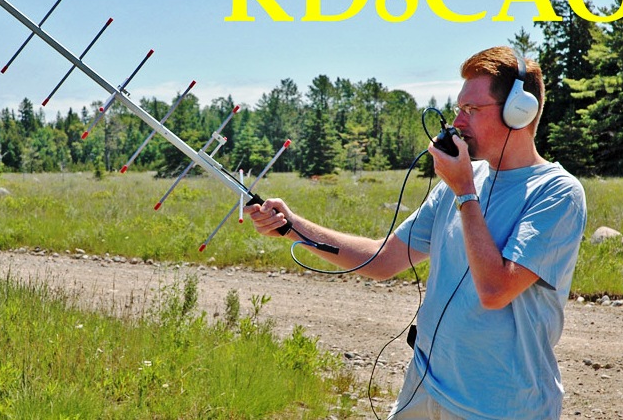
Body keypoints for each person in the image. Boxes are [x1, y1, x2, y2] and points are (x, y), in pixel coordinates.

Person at [244, 46, 587, 420]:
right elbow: (382, 260)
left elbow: (495, 290)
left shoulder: (557, 193)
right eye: (458, 108)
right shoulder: (458, 184)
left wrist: (465, 192)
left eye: (471, 110)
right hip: (423, 390)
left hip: (501, 408)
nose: (457, 122)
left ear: (519, 112)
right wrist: (292, 226)